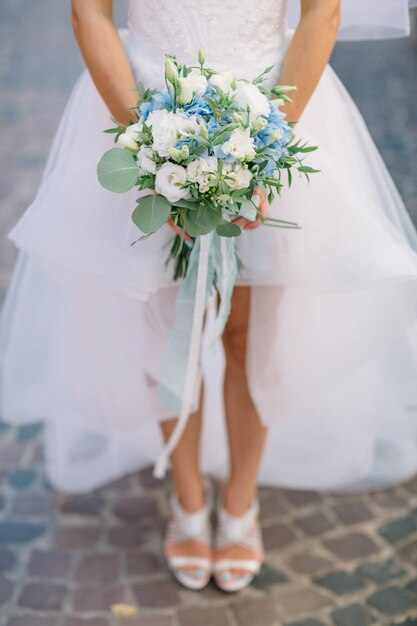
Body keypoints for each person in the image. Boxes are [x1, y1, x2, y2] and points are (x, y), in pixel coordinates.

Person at [1, 0, 417, 592]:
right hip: (140, 107)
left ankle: (241, 501)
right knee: (169, 324)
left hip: (280, 108)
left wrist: (261, 157)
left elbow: (323, 13)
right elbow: (88, 14)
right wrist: (155, 154)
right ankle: (189, 498)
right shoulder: (147, 138)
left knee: (253, 332)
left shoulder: (275, 131)